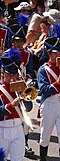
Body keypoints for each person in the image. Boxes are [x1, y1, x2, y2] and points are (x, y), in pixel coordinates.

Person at [0, 48, 32, 161]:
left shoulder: (21, 87)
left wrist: (25, 98)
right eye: (9, 75)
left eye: (14, 75)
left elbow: (29, 108)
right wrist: (11, 105)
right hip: (1, 127)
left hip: (18, 128)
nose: (12, 78)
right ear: (2, 73)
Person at [37, 25, 60, 161]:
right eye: (55, 52)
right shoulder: (43, 70)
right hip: (49, 103)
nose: (58, 55)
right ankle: (43, 158)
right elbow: (44, 89)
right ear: (49, 54)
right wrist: (57, 83)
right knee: (45, 134)